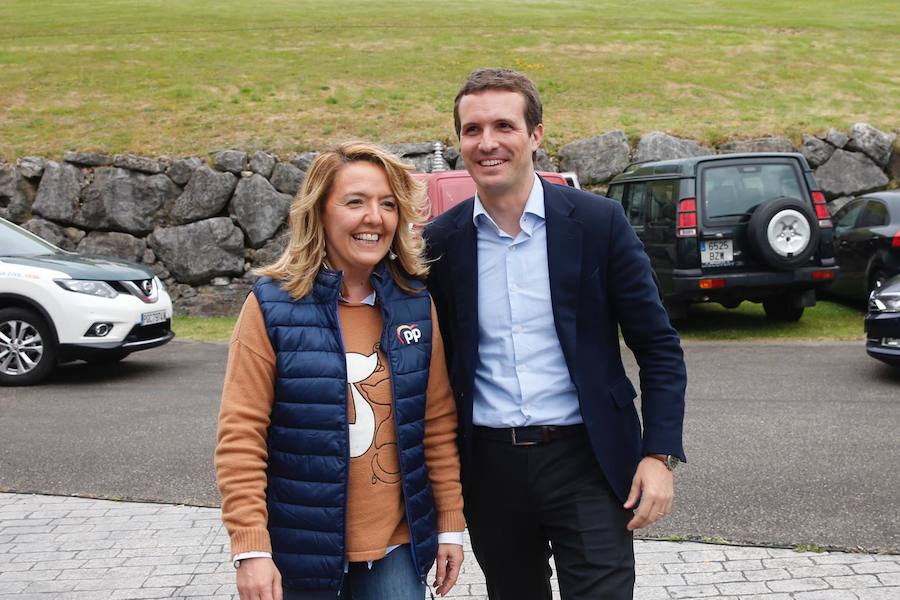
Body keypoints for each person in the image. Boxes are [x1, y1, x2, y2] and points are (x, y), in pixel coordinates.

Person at [424, 68, 687, 600]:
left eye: (504, 125)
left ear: (536, 135)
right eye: (472, 130)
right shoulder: (440, 243)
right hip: (490, 470)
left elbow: (658, 346)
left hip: (587, 461)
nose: (488, 142)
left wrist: (658, 456)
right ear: (459, 142)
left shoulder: (598, 223)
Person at [215, 141, 465, 600]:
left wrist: (450, 525)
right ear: (319, 212)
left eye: (388, 204)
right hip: (298, 552)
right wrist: (250, 548)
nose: (375, 217)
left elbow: (437, 421)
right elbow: (241, 435)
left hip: (396, 550)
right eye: (356, 202)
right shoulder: (270, 306)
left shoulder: (415, 305)